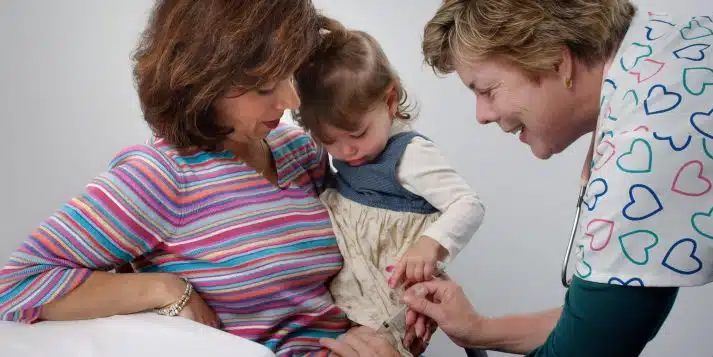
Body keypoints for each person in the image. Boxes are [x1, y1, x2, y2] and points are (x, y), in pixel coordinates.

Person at [325, 0, 713, 356]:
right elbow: (596, 322)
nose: (481, 115)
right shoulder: (667, 47)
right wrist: (478, 329)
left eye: (486, 90)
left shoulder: (647, 143)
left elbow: (590, 348)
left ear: (557, 61)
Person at [0, 1, 412, 356]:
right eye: (267, 87)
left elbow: (361, 254)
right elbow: (19, 283)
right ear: (204, 81)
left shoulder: (299, 151)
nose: (291, 101)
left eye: (291, 76)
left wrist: (381, 332)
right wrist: (163, 288)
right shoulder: (160, 178)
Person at [292, 22, 485, 357]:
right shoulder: (339, 158)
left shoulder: (409, 156)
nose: (347, 151)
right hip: (351, 297)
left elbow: (468, 204)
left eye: (357, 134)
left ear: (391, 100)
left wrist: (431, 244)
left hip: (391, 300)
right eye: (329, 140)